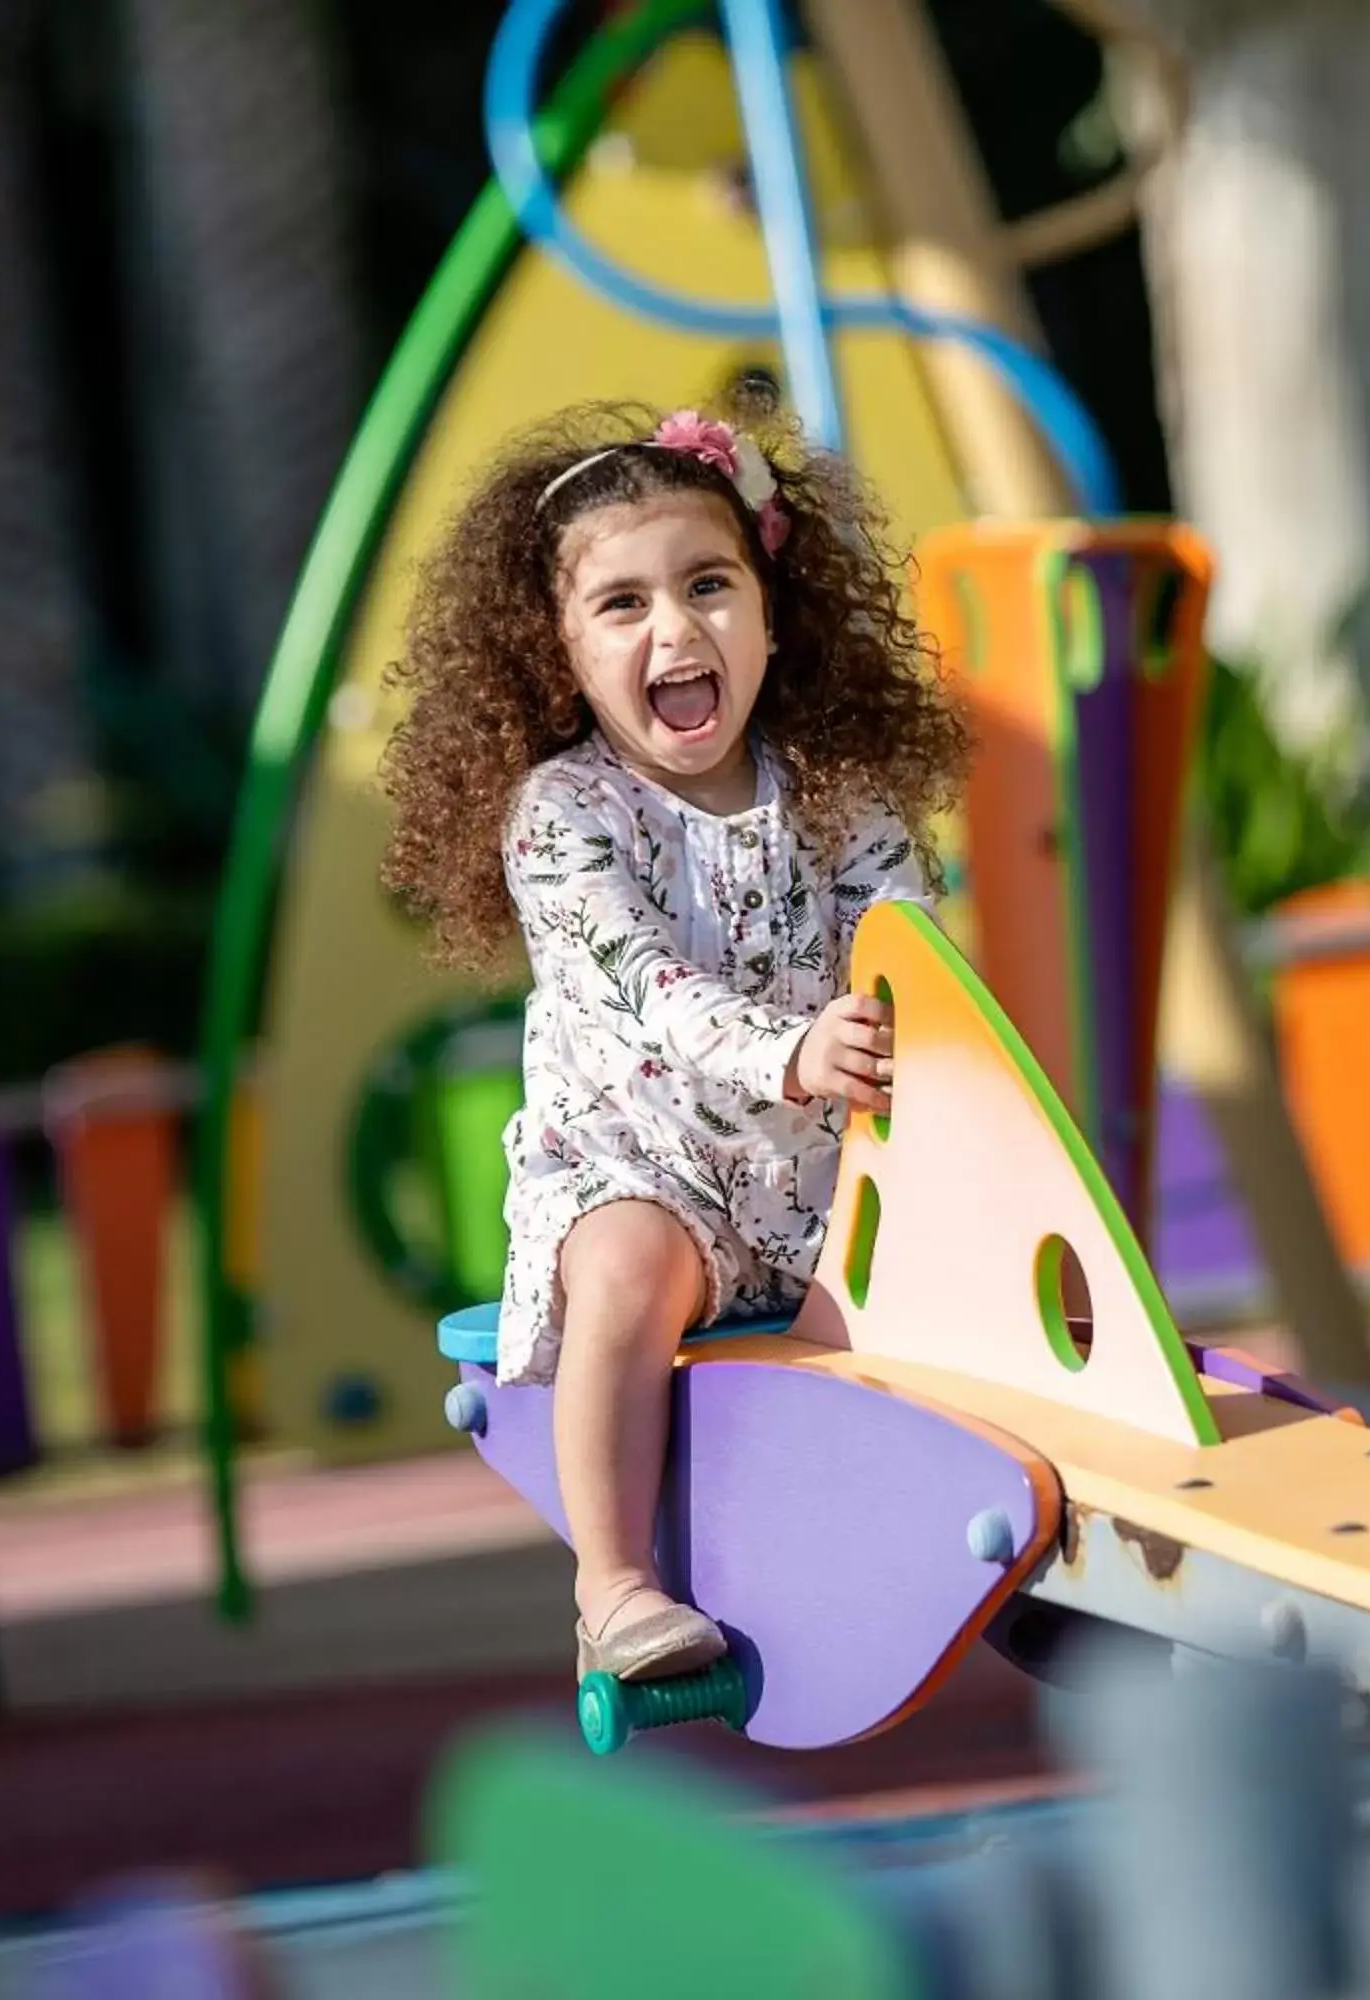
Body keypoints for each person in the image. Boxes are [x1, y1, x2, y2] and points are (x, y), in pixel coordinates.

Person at [378, 398, 969, 1685]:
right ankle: (615, 1583)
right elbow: (644, 986)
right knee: (631, 1255)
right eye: (623, 604)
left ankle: (1032, 1515)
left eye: (708, 584)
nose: (675, 628)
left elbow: (908, 937)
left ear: (770, 608)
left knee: (964, 1228)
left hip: (819, 1186)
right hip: (643, 1166)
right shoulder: (563, 816)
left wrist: (916, 1015)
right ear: (560, 654)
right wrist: (795, 1052)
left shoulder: (837, 791)